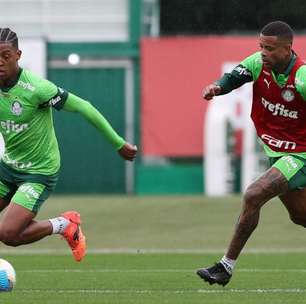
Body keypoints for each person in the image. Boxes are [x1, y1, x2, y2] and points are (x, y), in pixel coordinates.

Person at [0, 28, 137, 263]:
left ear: (18, 55)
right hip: (8, 167)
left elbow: (84, 107)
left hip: (38, 172)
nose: (0, 62)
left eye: (5, 56)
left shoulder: (36, 89)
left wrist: (118, 143)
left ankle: (65, 225)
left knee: (8, 234)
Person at [196, 20, 306, 286]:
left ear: (288, 49)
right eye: (261, 46)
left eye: (269, 48)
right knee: (300, 215)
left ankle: (225, 266)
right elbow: (235, 77)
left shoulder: (302, 77)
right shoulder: (258, 63)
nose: (263, 53)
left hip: (301, 154)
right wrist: (216, 87)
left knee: (254, 194)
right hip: (278, 152)